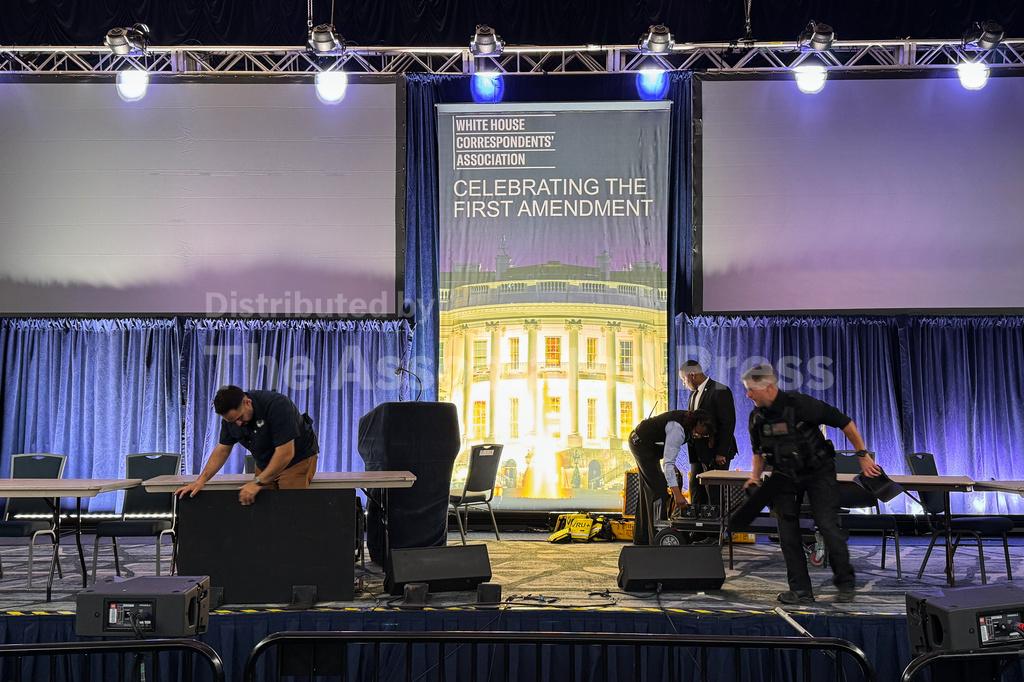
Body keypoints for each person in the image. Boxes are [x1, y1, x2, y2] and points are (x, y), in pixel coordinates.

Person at [733, 364, 881, 604]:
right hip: (784, 476)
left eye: (751, 390)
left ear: (769, 387)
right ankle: (801, 591)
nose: (748, 395)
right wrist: (754, 477)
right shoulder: (756, 417)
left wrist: (862, 455)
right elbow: (758, 452)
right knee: (787, 532)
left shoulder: (800, 404)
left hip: (818, 472)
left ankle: (845, 581)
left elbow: (845, 422)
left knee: (827, 524)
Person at [175, 386, 320, 506]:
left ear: (247, 402)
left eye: (240, 418)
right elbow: (222, 450)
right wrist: (200, 481)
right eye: (232, 421)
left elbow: (286, 453)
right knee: (263, 509)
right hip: (265, 461)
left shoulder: (277, 405)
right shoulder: (231, 420)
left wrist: (257, 482)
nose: (238, 423)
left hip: (296, 459)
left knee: (290, 509)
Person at [628, 408, 714, 545]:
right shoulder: (678, 429)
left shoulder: (687, 424)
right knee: (658, 489)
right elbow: (668, 463)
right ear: (699, 423)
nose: (705, 435)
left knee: (648, 489)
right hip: (641, 444)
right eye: (706, 431)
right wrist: (678, 495)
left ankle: (642, 538)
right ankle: (656, 538)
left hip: (647, 444)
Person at [681, 360, 737, 529]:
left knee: (714, 493)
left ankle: (716, 533)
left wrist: (721, 452)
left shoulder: (720, 390)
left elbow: (728, 423)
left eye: (684, 379)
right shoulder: (693, 394)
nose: (684, 383)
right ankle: (698, 530)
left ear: (692, 375)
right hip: (697, 453)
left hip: (715, 453)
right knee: (696, 490)